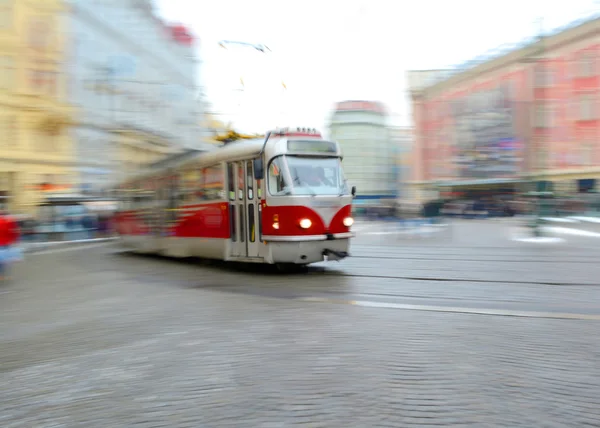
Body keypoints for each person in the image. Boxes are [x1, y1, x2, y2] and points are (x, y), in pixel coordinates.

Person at [0, 208, 21, 281]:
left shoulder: (9, 221)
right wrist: (16, 240)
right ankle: (4, 275)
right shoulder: (10, 221)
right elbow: (15, 231)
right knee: (5, 260)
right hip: (6, 243)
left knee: (2, 260)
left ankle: (2, 275)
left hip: (3, 243)